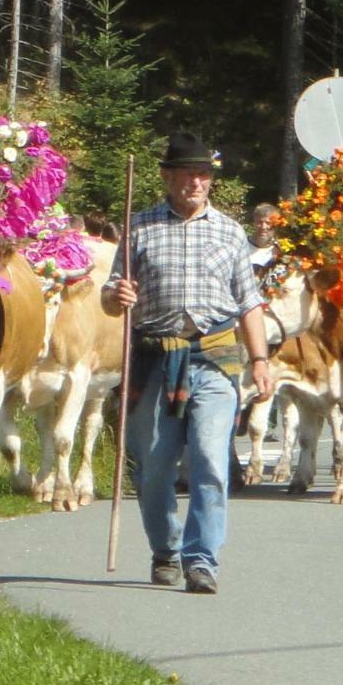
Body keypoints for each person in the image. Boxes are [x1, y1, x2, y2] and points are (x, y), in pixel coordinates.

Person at [101, 131, 273, 595]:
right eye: (187, 174)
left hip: (214, 358)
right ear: (167, 177)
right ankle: (165, 549)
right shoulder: (138, 227)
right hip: (155, 357)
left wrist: (259, 359)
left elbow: (249, 303)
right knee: (153, 466)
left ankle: (202, 560)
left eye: (203, 175)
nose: (196, 182)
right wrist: (117, 295)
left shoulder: (230, 232)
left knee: (209, 459)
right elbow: (111, 296)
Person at [247, 202, 281, 272]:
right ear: (254, 223)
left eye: (268, 223)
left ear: (275, 225)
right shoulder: (243, 246)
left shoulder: (280, 249)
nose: (263, 227)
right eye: (259, 222)